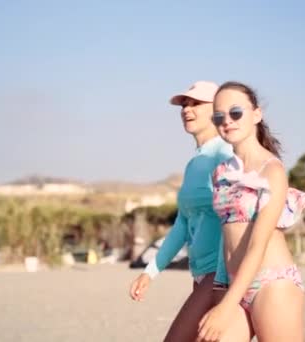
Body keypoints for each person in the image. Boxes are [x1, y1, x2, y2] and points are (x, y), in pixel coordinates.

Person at [128, 81, 250, 341]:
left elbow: (237, 219)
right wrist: (150, 272)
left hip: (220, 276)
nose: (186, 109)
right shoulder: (195, 161)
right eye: (184, 104)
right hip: (200, 275)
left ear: (216, 109)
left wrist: (219, 280)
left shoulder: (225, 152)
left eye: (196, 103)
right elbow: (182, 224)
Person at [197, 81, 305, 341]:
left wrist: (227, 306)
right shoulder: (220, 172)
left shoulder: (272, 171)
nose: (227, 121)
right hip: (231, 283)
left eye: (236, 112)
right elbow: (225, 239)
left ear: (256, 115)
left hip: (272, 284)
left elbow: (257, 245)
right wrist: (220, 286)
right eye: (219, 117)